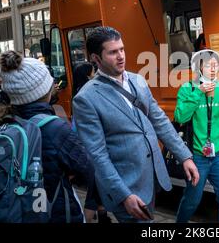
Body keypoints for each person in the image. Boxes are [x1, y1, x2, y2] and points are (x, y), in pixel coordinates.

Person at [73, 26, 199, 223]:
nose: (121, 56)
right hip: (126, 185)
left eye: (122, 49)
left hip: (152, 176)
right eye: (113, 52)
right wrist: (123, 195)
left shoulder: (138, 80)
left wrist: (184, 156)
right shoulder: (86, 98)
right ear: (96, 59)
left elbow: (160, 121)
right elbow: (98, 156)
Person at [0, 50, 93, 223]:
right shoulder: (56, 128)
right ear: (44, 89)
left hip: (12, 212)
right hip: (54, 213)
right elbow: (87, 170)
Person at [174, 49, 219, 223]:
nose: (213, 69)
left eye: (215, 65)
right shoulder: (187, 88)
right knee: (191, 201)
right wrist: (198, 92)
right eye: (208, 65)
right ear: (198, 68)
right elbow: (180, 117)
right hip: (197, 158)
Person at [71, 62, 110, 223]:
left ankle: (102, 215)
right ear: (88, 75)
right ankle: (90, 218)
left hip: (89, 145)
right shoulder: (87, 95)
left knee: (98, 187)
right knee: (95, 188)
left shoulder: (79, 93)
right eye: (94, 71)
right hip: (92, 147)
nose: (96, 74)